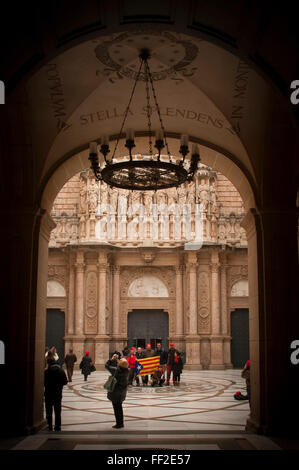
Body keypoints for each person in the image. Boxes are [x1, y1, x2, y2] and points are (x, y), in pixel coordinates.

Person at [44, 355, 68, 431]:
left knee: (49, 411)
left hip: (48, 393)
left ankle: (50, 426)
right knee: (58, 411)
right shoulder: (61, 371)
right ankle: (58, 426)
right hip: (58, 394)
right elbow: (65, 382)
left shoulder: (46, 372)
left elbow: (43, 382)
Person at [106, 357, 129, 429]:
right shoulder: (126, 371)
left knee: (116, 408)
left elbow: (106, 366)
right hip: (122, 392)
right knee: (119, 408)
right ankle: (120, 422)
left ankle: (118, 424)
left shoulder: (116, 371)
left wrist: (111, 359)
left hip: (115, 392)